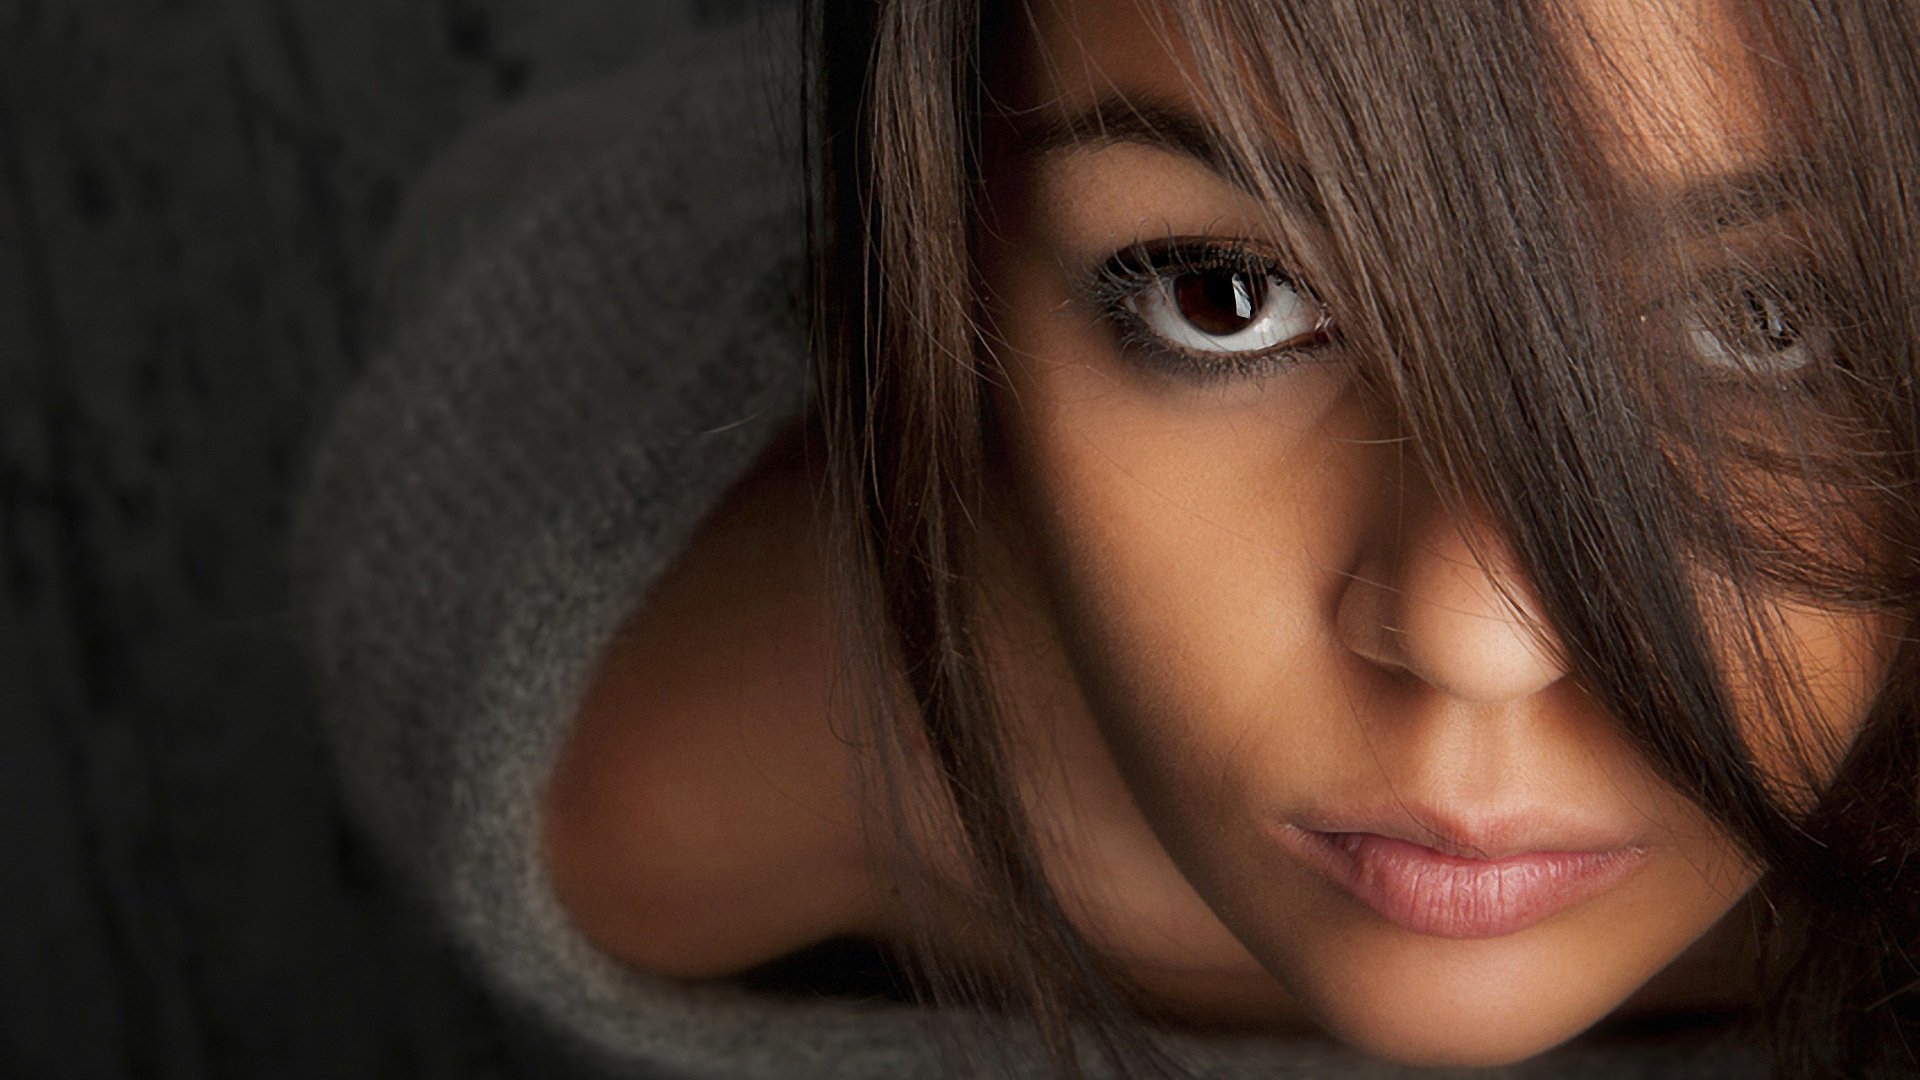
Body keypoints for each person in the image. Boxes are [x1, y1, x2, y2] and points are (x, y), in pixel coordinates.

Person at [292, 0, 1919, 1077]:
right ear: (954, 242)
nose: (1476, 632)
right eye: (1230, 296)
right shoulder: (639, 760)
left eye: (1765, 321)